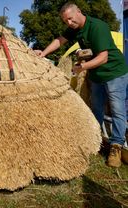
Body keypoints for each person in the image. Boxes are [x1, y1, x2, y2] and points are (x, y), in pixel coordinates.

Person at [35, 3, 128, 168]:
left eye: (70, 18)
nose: (69, 23)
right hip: (96, 75)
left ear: (79, 12)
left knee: (117, 111)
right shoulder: (74, 29)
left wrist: (81, 67)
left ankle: (116, 147)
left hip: (115, 72)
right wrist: (43, 53)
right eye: (65, 21)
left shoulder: (97, 27)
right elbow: (60, 40)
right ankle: (94, 140)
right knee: (96, 109)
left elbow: (103, 58)